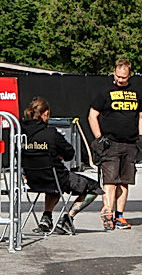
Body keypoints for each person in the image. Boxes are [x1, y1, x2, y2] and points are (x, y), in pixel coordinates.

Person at [20, 97, 101, 235]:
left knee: (53, 185)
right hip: (56, 177)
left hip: (32, 180)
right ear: (45, 114)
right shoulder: (51, 134)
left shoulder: (20, 133)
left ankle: (47, 217)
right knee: (94, 188)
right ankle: (68, 218)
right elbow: (69, 153)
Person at [88, 57, 142, 230]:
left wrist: (141, 137)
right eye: (118, 76)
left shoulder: (137, 93)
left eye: (124, 77)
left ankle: (119, 216)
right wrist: (99, 137)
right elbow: (92, 114)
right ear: (114, 72)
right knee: (109, 181)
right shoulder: (105, 91)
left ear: (129, 75)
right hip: (111, 143)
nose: (120, 80)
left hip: (130, 144)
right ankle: (107, 213)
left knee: (124, 181)